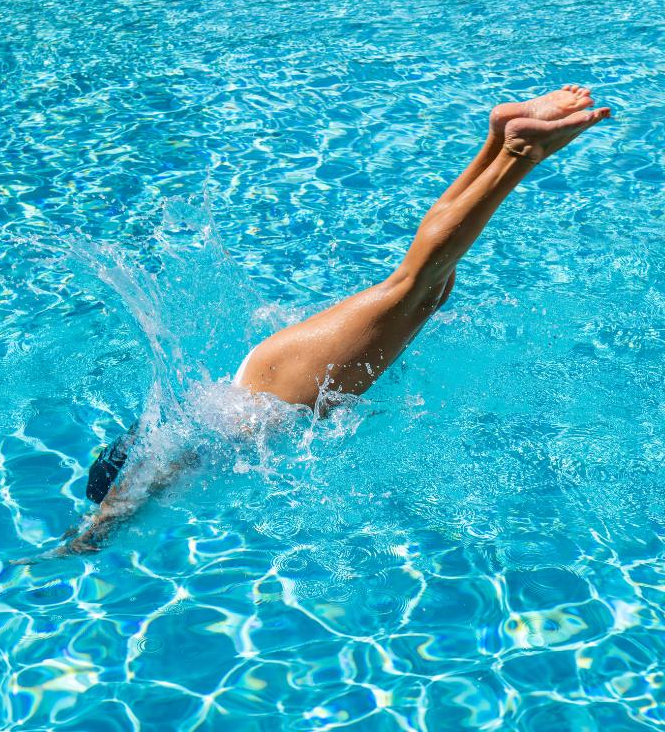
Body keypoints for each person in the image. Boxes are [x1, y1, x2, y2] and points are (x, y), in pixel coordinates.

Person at [59, 87, 611, 558]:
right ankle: (497, 142)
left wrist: (81, 541)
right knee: (428, 288)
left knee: (414, 284)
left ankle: (518, 153)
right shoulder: (180, 435)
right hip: (269, 376)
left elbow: (117, 508)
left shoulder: (159, 463)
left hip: (282, 390)